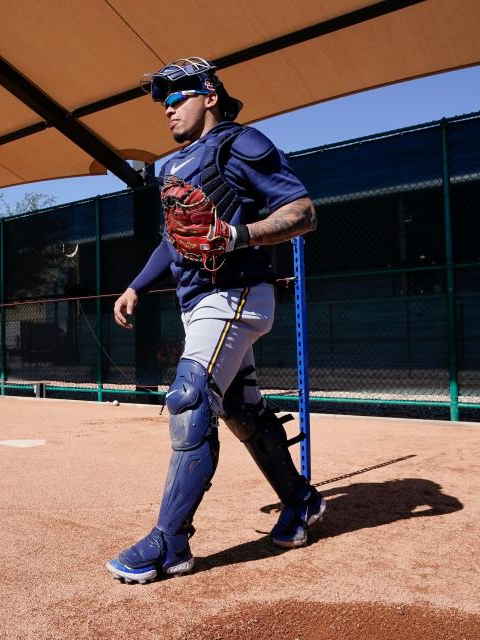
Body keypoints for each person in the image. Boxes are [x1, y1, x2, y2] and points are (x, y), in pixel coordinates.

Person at [105, 57, 325, 584]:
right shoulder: (174, 164)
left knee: (190, 398)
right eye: (163, 103)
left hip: (235, 295)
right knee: (242, 412)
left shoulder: (242, 143)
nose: (168, 109)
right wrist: (137, 285)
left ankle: (169, 543)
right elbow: (171, 238)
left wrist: (240, 235)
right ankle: (300, 500)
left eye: (177, 97)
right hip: (198, 302)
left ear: (208, 94)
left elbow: (303, 212)